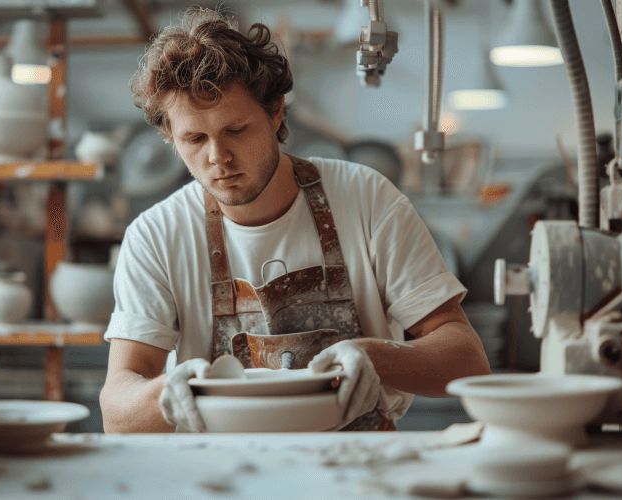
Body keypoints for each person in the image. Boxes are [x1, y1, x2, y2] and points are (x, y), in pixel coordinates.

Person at [100, 7, 490, 433]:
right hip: (224, 474)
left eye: (236, 130)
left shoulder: (366, 198)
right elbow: (117, 413)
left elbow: (467, 360)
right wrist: (166, 394)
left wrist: (377, 358)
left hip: (359, 469)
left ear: (276, 113)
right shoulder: (156, 236)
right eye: (195, 138)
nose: (218, 158)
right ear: (171, 139)